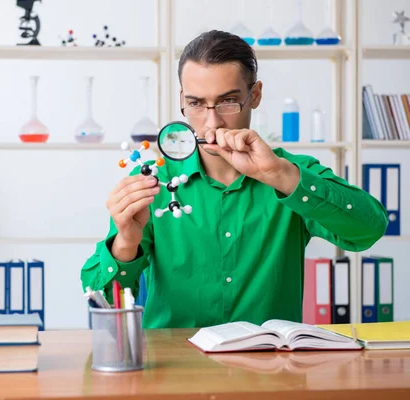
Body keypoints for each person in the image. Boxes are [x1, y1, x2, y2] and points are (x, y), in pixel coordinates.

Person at [80, 30, 388, 329]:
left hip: (271, 369)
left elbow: (369, 230)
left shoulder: (291, 173)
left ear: (254, 95)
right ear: (182, 101)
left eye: (228, 101)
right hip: (174, 370)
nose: (211, 122)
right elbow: (99, 303)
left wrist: (279, 175)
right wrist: (125, 243)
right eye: (197, 103)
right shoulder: (153, 181)